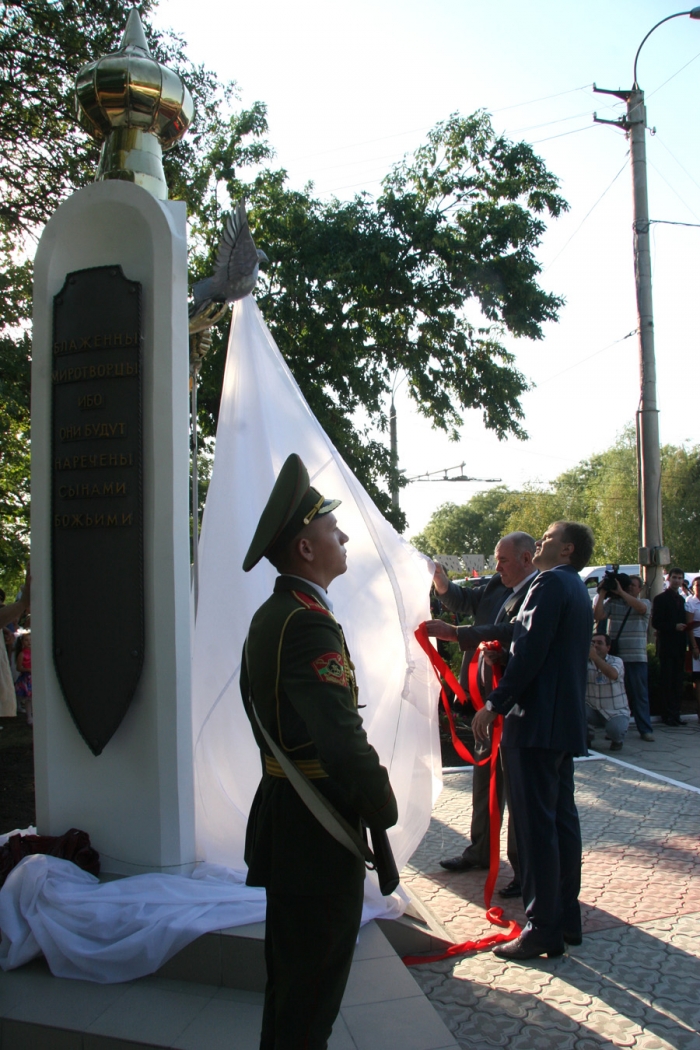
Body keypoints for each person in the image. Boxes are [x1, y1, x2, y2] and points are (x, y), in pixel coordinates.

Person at [240, 454, 398, 1050]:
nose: (344, 536)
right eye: (333, 530)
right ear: (306, 549)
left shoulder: (275, 615)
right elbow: (339, 740)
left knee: (292, 988)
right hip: (315, 825)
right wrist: (383, 804)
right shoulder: (307, 623)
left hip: (292, 816)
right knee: (310, 996)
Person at [472, 521, 594, 961]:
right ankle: (564, 917)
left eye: (547, 538)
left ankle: (542, 928)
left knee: (536, 828)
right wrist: (465, 636)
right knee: (561, 822)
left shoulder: (546, 584)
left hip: (535, 725)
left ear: (567, 550)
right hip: (560, 726)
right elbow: (531, 643)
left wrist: (495, 704)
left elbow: (530, 650)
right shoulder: (574, 586)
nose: (540, 542)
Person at [425, 533, 537, 899]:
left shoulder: (538, 590)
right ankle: (479, 851)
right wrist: (440, 580)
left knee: (517, 789)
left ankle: (523, 869)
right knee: (484, 780)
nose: (497, 566)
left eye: (502, 560)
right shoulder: (495, 584)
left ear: (526, 557)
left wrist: (460, 635)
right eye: (496, 559)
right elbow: (465, 601)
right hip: (482, 705)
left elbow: (513, 633)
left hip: (513, 707)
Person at [593, 573, 654, 741]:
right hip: (615, 658)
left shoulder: (645, 603)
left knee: (639, 695)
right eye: (627, 585)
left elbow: (640, 609)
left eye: (633, 585)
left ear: (640, 588)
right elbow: (598, 616)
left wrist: (621, 592)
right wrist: (603, 593)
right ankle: (614, 728)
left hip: (636, 657)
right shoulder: (613, 603)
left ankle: (645, 729)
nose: (629, 588)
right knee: (615, 695)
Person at [652, 567, 688, 726]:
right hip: (667, 646)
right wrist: (673, 626)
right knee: (666, 680)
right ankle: (666, 715)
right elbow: (656, 623)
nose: (677, 581)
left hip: (679, 646)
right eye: (674, 577)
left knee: (677, 681)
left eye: (680, 578)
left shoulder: (681, 600)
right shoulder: (660, 598)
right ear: (668, 579)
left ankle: (676, 713)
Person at [586, 632, 629, 752]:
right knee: (576, 712)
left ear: (608, 648)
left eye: (600, 643)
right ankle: (585, 739)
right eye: (593, 643)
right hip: (592, 708)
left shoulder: (617, 661)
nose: (595, 646)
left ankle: (617, 740)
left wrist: (595, 658)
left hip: (614, 711)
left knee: (616, 730)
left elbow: (613, 674)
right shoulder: (584, 662)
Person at [685, 577, 700, 707]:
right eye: (698, 585)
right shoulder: (690, 602)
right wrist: (694, 646)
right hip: (696, 640)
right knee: (698, 677)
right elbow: (689, 626)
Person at [14, 631, 32, 726]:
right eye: (26, 640)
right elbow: (18, 667)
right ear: (22, 642)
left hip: (34, 677)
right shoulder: (22, 654)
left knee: (30, 697)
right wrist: (27, 669)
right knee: (27, 697)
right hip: (27, 678)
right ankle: (29, 717)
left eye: (30, 640)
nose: (29, 642)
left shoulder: (35, 652)